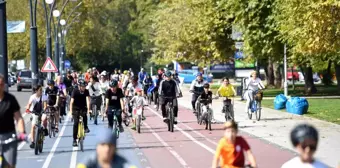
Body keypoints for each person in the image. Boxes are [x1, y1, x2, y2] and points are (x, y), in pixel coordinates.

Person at [0, 74, 26, 168]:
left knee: (10, 165)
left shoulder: (10, 100)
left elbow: (18, 118)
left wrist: (22, 132)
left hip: (9, 137)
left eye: (1, 84)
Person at [70, 79, 91, 147]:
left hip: (83, 107)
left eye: (84, 86)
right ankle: (74, 139)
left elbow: (88, 100)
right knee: (76, 123)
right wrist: (71, 112)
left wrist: (89, 109)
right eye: (82, 86)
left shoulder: (86, 91)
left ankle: (85, 127)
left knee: (85, 116)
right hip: (75, 108)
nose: (84, 88)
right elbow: (71, 102)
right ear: (79, 86)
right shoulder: (75, 91)